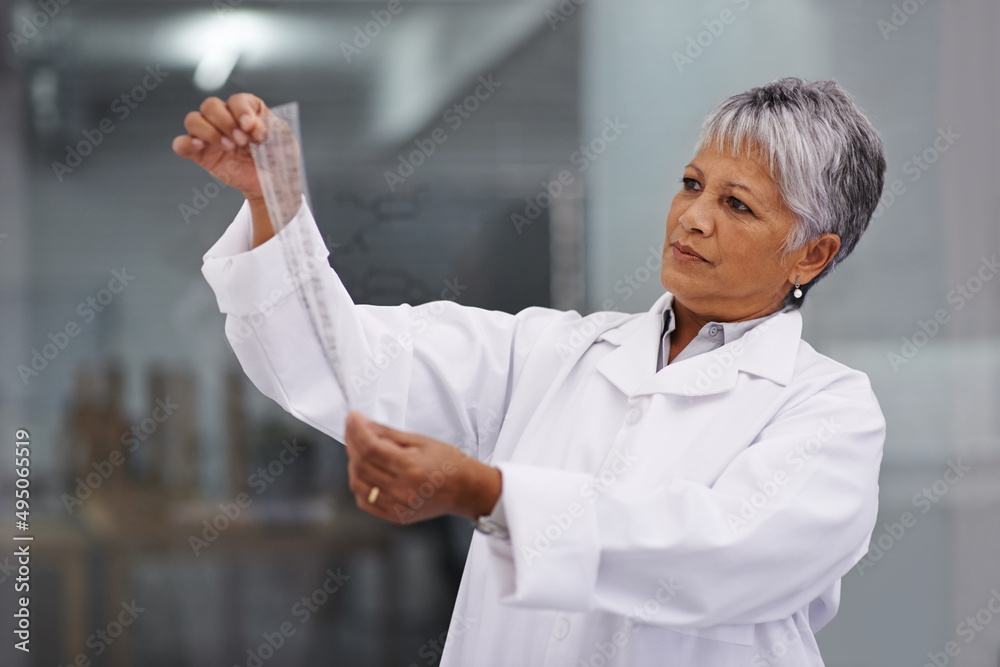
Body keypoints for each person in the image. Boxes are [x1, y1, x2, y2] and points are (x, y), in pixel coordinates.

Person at [174, 76, 887, 666]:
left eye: (736, 204)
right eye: (692, 182)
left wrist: (489, 492)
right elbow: (347, 360)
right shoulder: (552, 354)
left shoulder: (828, 411)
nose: (693, 217)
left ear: (812, 254)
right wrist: (275, 204)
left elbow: (723, 552)